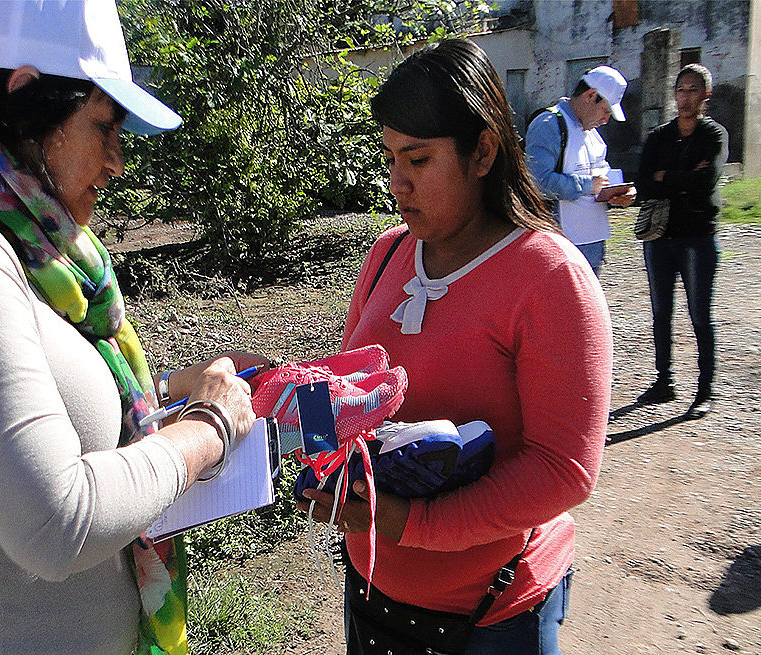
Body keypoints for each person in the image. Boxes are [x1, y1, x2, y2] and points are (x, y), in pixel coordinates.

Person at [0, 2, 265, 654]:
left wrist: (165, 391)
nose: (118, 162)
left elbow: (29, 414)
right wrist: (204, 431)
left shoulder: (23, 246)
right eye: (105, 127)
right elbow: (55, 522)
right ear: (23, 91)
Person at [297, 39, 612, 654]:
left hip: (492, 616)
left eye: (418, 160)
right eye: (390, 159)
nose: (397, 183)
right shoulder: (387, 254)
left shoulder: (548, 279)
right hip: (372, 592)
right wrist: (288, 408)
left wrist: (413, 524)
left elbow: (563, 471)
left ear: (484, 152)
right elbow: (350, 400)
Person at [635, 63, 728, 419]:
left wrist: (666, 176)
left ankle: (705, 389)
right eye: (681, 89)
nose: (685, 97)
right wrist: (683, 178)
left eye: (693, 90)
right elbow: (643, 182)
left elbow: (707, 183)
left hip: (697, 237)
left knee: (700, 314)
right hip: (660, 237)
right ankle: (664, 381)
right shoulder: (659, 136)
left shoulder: (713, 135)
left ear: (706, 95)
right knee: (661, 313)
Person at [526, 65, 636, 275]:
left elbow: (601, 180)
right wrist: (589, 185)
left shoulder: (593, 133)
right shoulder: (548, 124)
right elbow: (538, 182)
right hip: (559, 252)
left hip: (590, 248)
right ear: (590, 95)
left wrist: (617, 193)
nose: (606, 120)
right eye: (605, 110)